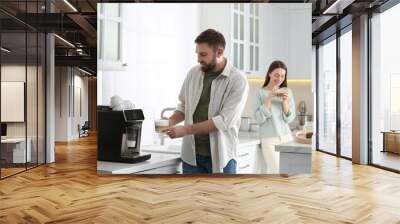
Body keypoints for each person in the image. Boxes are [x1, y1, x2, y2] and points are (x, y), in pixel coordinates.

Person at [165, 29, 249, 174]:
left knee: (220, 197)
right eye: (197, 54)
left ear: (219, 52)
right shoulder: (193, 73)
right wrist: (170, 121)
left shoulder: (237, 80)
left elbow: (224, 121)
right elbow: (184, 106)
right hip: (191, 158)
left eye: (203, 54)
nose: (198, 59)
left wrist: (185, 130)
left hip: (221, 157)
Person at [254, 60, 295, 173]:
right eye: (276, 75)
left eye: (282, 76)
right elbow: (258, 118)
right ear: (269, 74)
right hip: (269, 139)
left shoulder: (288, 91)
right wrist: (269, 97)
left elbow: (290, 118)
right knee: (277, 172)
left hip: (286, 137)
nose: (279, 78)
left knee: (289, 173)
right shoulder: (260, 93)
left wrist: (285, 102)